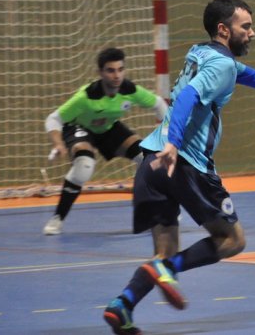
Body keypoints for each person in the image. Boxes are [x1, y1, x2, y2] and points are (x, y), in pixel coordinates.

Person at [102, 0, 255, 335]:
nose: (252, 33)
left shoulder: (201, 52)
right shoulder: (222, 66)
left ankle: (122, 305)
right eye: (246, 27)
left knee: (162, 252)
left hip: (151, 162)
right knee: (232, 240)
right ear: (224, 29)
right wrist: (175, 143)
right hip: (184, 164)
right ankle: (165, 269)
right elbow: (186, 98)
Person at [43, 47, 167, 235]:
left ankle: (159, 209)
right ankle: (58, 218)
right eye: (110, 70)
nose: (116, 75)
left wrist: (167, 136)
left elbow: (159, 104)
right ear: (100, 73)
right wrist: (58, 143)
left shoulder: (129, 90)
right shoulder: (86, 97)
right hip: (79, 128)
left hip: (108, 128)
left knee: (148, 159)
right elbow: (53, 119)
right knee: (84, 165)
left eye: (120, 69)